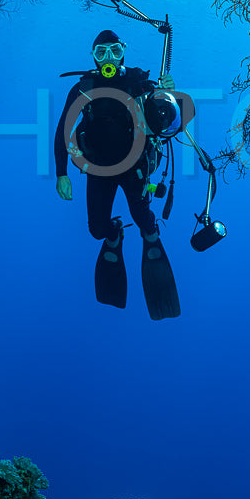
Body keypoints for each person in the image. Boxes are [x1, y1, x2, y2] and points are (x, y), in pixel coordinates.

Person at [54, 29, 180, 319]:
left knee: (143, 219)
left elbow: (169, 122)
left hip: (135, 165)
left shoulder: (139, 83)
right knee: (97, 230)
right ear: (93, 57)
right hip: (99, 168)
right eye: (101, 52)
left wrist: (168, 94)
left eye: (114, 50)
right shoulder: (83, 88)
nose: (108, 58)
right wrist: (62, 173)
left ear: (123, 50)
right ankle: (114, 235)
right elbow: (62, 131)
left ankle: (150, 236)